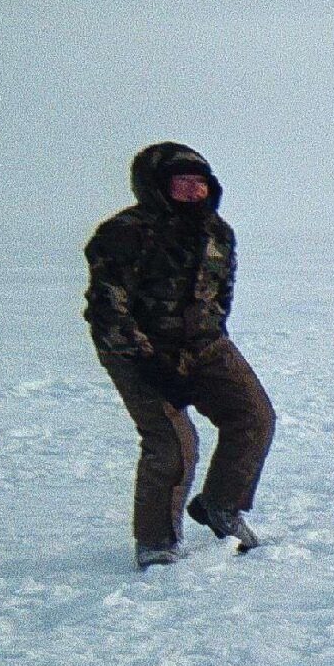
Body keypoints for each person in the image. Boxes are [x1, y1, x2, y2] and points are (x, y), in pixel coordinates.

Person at [84, 142, 276, 567]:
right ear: (156, 187)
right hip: (137, 350)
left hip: (204, 344)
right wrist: (149, 362)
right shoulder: (124, 233)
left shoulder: (218, 233)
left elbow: (219, 293)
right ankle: (157, 543)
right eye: (181, 183)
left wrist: (212, 338)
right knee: (173, 443)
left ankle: (221, 505)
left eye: (200, 183)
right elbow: (107, 308)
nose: (193, 191)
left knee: (253, 416)